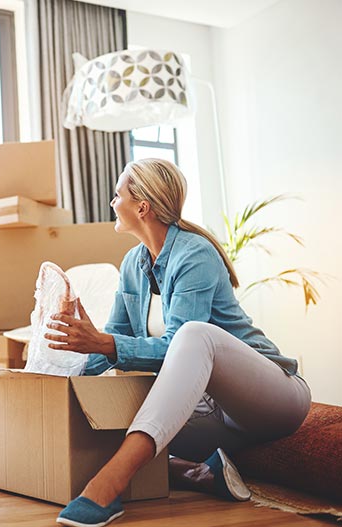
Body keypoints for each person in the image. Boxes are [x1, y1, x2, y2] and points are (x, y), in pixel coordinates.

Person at [45, 158, 311, 527]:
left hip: (274, 399)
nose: (112, 202)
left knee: (192, 334)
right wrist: (63, 371)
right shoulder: (131, 265)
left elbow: (171, 345)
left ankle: (107, 485)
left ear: (142, 206)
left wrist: (105, 343)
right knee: (116, 413)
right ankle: (196, 472)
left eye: (117, 194)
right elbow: (112, 343)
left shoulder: (194, 253)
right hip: (212, 416)